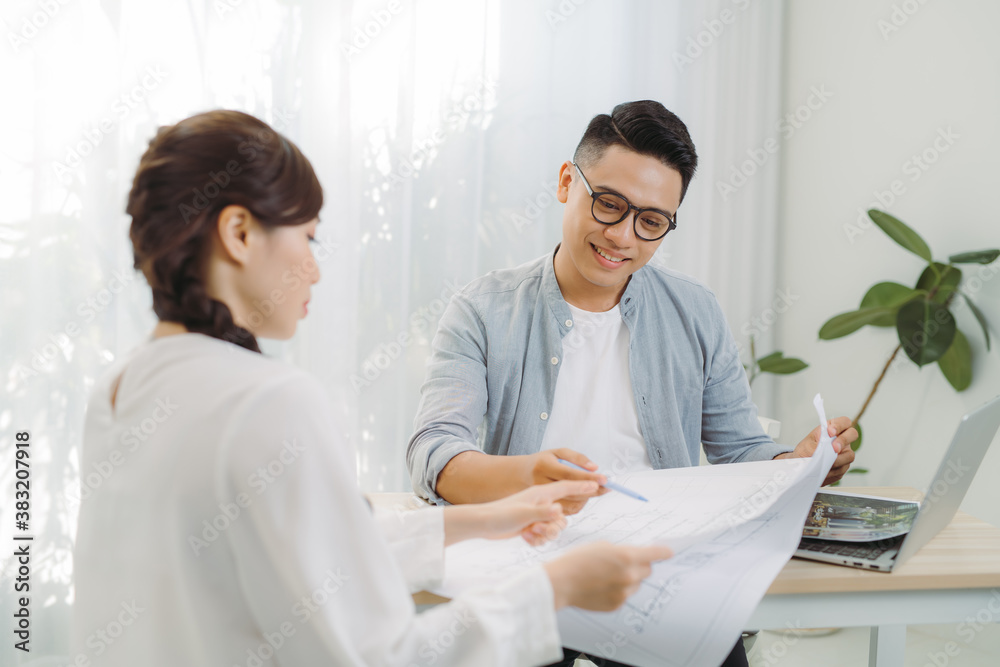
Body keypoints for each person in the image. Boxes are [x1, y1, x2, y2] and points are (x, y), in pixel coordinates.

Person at [71, 110, 674, 667]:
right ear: (238, 233)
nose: (314, 267)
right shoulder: (270, 401)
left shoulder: (119, 389)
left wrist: (484, 520)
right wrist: (556, 587)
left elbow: (317, 553)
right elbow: (383, 656)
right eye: (306, 237)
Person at [405, 100, 859, 666]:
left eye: (650, 222)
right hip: (531, 564)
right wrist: (527, 475)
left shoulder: (694, 311)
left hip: (659, 567)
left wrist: (800, 461)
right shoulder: (483, 310)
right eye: (609, 205)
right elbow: (435, 452)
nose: (623, 237)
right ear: (569, 183)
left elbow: (741, 450)